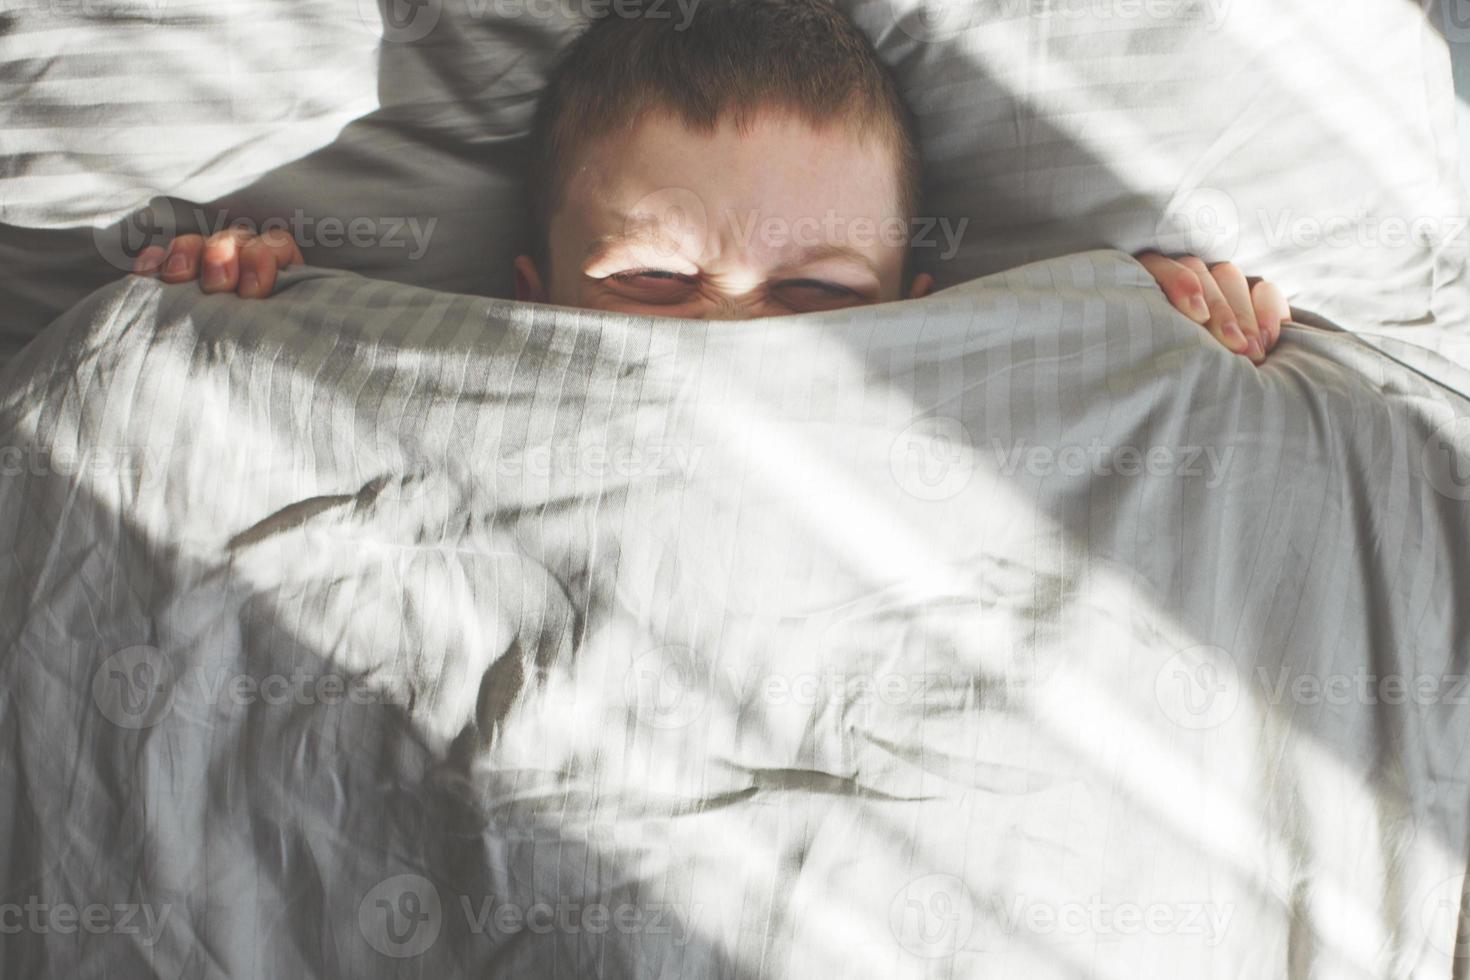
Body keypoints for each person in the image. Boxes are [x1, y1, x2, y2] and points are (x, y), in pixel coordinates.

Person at [130, 0, 1288, 364]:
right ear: (531, 295)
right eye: (648, 282)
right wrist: (256, 307)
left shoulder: (978, 362)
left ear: (920, 307)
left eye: (819, 296)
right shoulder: (467, 345)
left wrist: (1139, 340)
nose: (729, 338)